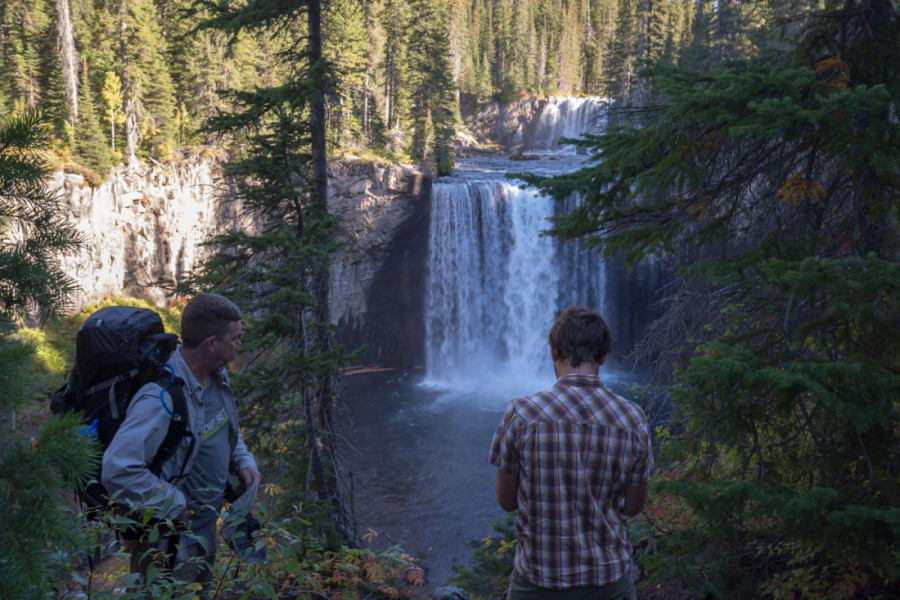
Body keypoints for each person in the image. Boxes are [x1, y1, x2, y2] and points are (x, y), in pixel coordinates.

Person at [489, 307, 653, 600]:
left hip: (537, 581)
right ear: (604, 356)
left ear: (552, 351)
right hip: (608, 581)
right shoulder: (632, 419)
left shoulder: (521, 414)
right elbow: (633, 507)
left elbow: (506, 502)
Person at [103, 293, 261, 590]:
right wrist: (173, 502)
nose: (240, 345)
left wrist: (243, 461)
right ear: (211, 343)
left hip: (204, 530)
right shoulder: (161, 398)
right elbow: (117, 468)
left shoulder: (217, 377)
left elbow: (222, 428)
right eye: (235, 338)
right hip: (169, 542)